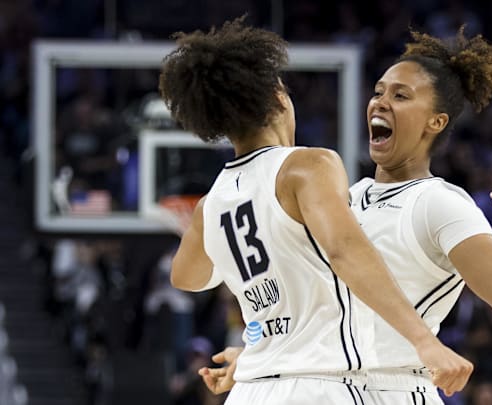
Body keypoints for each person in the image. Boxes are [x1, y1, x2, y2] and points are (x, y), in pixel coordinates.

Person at [200, 26, 492, 405]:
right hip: (328, 386)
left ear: (436, 122)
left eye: (400, 95)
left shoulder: (440, 203)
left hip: (395, 387)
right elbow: (326, 308)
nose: (380, 102)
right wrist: (260, 360)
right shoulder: (347, 195)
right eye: (378, 91)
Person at [159, 17, 473, 404]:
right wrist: (424, 342)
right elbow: (346, 252)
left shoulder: (211, 204)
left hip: (252, 390)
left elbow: (186, 277)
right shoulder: (307, 166)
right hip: (320, 386)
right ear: (278, 97)